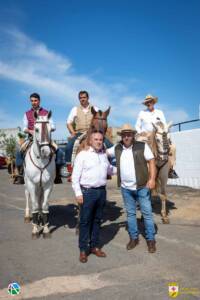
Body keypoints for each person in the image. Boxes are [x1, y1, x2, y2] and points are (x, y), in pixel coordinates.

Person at [107, 124, 157, 253]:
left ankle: (151, 239)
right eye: (124, 134)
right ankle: (134, 238)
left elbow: (151, 161)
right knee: (130, 214)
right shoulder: (117, 148)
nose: (127, 137)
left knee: (147, 214)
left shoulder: (142, 146)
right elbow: (103, 152)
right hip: (125, 188)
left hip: (142, 187)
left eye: (129, 134)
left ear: (133, 135)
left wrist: (152, 179)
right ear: (122, 136)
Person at [72, 130, 116, 263]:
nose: (98, 141)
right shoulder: (82, 155)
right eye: (96, 139)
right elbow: (75, 177)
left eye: (100, 140)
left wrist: (124, 169)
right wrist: (78, 193)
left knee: (97, 221)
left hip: (101, 192)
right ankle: (83, 250)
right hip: (87, 193)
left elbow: (110, 169)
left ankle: (95, 246)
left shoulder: (103, 155)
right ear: (90, 141)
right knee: (85, 222)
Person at [15, 93, 65, 184]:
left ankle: (57, 174)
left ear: (39, 101)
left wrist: (49, 128)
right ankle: (21, 174)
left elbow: (53, 125)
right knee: (19, 151)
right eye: (32, 101)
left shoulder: (46, 112)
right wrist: (30, 131)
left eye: (35, 100)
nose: (33, 102)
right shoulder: (27, 114)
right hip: (31, 138)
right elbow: (24, 128)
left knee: (60, 152)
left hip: (45, 138)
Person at [65, 91, 112, 173]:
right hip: (79, 132)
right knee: (69, 146)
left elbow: (101, 119)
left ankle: (109, 168)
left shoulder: (95, 109)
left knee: (110, 145)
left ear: (87, 98)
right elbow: (68, 123)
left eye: (84, 97)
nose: (82, 99)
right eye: (80, 98)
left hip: (93, 132)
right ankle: (70, 169)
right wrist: (72, 133)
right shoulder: (75, 109)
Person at [135, 94, 178, 178]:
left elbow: (164, 125)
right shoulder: (142, 113)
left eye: (150, 101)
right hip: (146, 135)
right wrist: (140, 132)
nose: (148, 103)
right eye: (147, 102)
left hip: (159, 134)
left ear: (153, 102)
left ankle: (171, 170)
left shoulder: (160, 112)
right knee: (137, 147)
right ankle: (137, 168)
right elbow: (137, 125)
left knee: (172, 147)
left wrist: (164, 133)